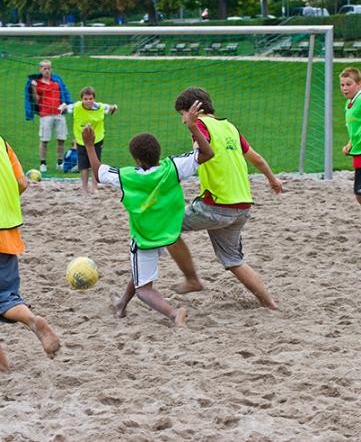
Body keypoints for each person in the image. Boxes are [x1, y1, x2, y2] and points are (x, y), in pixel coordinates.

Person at [81, 99, 214, 327]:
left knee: (144, 289)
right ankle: (121, 304)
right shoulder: (171, 168)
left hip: (145, 239)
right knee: (141, 270)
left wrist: (90, 145)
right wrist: (192, 126)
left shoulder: (126, 176)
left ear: (137, 160)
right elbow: (207, 153)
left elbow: (97, 173)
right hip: (168, 233)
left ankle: (173, 314)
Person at [167, 87, 283, 310]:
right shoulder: (230, 127)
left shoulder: (200, 126)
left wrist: (193, 127)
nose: (182, 120)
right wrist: (273, 180)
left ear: (193, 110)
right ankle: (270, 304)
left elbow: (202, 150)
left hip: (216, 206)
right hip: (242, 207)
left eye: (182, 114)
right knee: (234, 261)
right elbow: (256, 159)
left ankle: (192, 279)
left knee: (164, 226)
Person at [0, 135, 60, 372]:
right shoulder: (3, 143)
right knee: (6, 295)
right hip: (7, 231)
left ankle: (2, 366)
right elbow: (23, 183)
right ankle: (33, 321)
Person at [60, 86, 118, 192]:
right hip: (81, 140)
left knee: (95, 163)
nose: (88, 101)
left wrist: (114, 107)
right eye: (85, 99)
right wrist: (62, 108)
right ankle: (84, 187)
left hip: (97, 139)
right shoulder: (76, 107)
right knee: (83, 164)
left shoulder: (100, 107)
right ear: (81, 99)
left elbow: (109, 107)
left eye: (90, 99)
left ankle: (95, 187)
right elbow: (66, 108)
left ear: (94, 99)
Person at [25, 59, 72, 173]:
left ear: (51, 69)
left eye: (49, 68)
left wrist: (67, 104)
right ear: (40, 69)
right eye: (44, 68)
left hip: (59, 114)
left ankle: (60, 163)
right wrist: (34, 89)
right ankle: (43, 163)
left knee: (61, 139)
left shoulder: (57, 81)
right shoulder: (37, 83)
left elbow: (65, 92)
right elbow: (35, 101)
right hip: (45, 115)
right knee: (44, 140)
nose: (47, 70)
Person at [340, 67, 361, 205]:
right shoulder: (349, 103)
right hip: (358, 152)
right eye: (342, 85)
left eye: (349, 84)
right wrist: (350, 144)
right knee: (359, 195)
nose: (345, 88)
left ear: (359, 84)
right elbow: (355, 129)